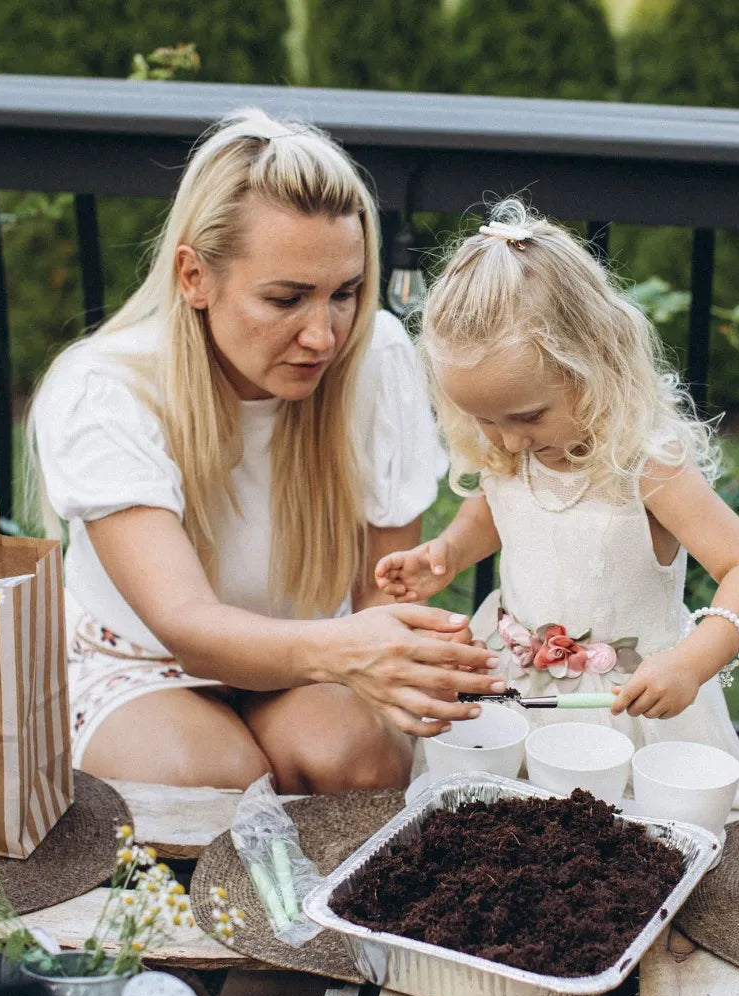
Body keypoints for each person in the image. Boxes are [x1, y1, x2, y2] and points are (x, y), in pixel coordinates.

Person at [28, 109, 506, 794]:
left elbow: (380, 590)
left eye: (345, 294)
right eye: (286, 299)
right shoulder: (102, 388)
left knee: (354, 757)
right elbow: (185, 624)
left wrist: (401, 654)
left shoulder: (377, 360)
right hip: (141, 662)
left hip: (315, 658)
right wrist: (352, 650)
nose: (324, 336)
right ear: (194, 276)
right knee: (215, 779)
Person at [376, 199, 739, 809]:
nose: (507, 440)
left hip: (623, 708)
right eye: (483, 420)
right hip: (514, 690)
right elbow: (495, 510)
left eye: (527, 416)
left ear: (594, 364)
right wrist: (450, 551)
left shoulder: (646, 463)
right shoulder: (511, 450)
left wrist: (692, 664)